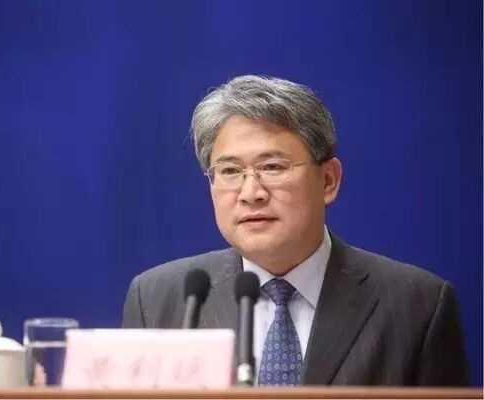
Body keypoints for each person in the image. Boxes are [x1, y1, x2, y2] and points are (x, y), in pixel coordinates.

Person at [122, 75, 469, 386]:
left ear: (328, 180)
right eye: (230, 171)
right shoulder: (157, 299)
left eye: (273, 167)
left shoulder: (418, 305)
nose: (251, 193)